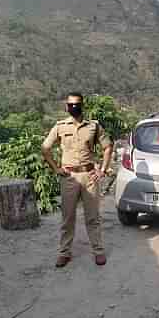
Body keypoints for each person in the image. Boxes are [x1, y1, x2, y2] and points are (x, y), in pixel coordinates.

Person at [42, 92, 114, 268]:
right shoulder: (59, 126)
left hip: (89, 176)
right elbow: (45, 148)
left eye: (77, 104)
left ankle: (98, 251)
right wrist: (56, 168)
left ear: (82, 105)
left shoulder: (93, 126)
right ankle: (64, 253)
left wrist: (102, 170)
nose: (74, 107)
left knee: (93, 217)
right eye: (71, 104)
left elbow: (108, 146)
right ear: (66, 106)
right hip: (69, 177)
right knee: (68, 218)